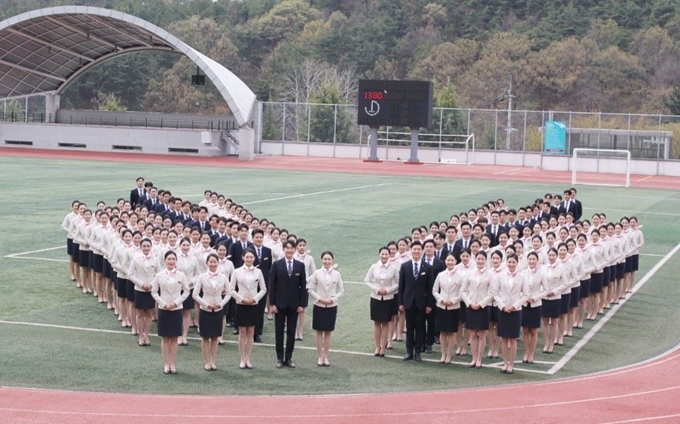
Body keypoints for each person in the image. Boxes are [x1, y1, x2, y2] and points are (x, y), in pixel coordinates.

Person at [269, 240, 308, 368]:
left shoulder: (300, 266)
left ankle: (289, 358)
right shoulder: (276, 265)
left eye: (292, 248)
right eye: (287, 248)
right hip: (279, 304)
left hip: (294, 305)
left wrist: (302, 304)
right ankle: (280, 358)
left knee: (291, 332)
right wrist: (272, 304)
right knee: (279, 332)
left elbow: (303, 287)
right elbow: (272, 285)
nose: (290, 250)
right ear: (284, 249)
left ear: (295, 250)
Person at [151, 251, 190, 374]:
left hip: (177, 309)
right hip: (164, 309)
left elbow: (186, 291)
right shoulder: (159, 275)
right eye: (169, 259)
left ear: (176, 260)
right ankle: (166, 363)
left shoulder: (181, 275)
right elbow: (154, 292)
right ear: (165, 260)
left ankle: (172, 363)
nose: (171, 261)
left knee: (174, 338)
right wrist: (163, 303)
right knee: (165, 337)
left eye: (173, 259)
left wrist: (176, 302)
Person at [229, 249, 267, 369]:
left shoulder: (258, 272)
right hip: (241, 305)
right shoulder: (237, 271)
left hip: (253, 305)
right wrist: (242, 299)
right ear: (243, 257)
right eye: (247, 257)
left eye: (251, 257)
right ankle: (242, 358)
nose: (249, 259)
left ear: (254, 258)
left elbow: (263, 289)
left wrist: (254, 299)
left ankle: (248, 359)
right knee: (242, 332)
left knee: (250, 332)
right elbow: (231, 289)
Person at [398, 241, 435, 363]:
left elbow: (430, 287)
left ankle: (417, 352)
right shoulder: (405, 266)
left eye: (419, 249)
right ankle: (409, 351)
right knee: (409, 328)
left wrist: (430, 304)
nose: (416, 251)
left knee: (420, 328)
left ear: (422, 250)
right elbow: (401, 286)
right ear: (411, 250)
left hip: (422, 303)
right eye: (414, 249)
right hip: (408, 302)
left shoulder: (428, 268)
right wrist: (400, 303)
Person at [193, 254, 231, 371]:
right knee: (205, 337)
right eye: (211, 262)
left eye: (215, 262)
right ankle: (206, 361)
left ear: (218, 263)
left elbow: (229, 293)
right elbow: (195, 294)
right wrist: (206, 304)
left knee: (215, 337)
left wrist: (221, 304)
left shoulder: (223, 277)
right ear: (207, 263)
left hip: (218, 310)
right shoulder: (202, 277)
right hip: (205, 310)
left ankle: (213, 361)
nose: (213, 264)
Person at [307, 251, 345, 366]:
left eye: (329, 259)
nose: (327, 261)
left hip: (332, 306)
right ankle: (320, 356)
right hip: (319, 306)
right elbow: (310, 289)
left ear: (332, 260)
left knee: (328, 331)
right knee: (319, 331)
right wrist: (320, 299)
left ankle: (326, 356)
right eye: (325, 259)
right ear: (321, 260)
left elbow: (341, 290)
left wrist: (333, 299)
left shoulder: (337, 274)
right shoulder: (317, 273)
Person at [493, 254, 528, 374]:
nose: (511, 264)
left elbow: (526, 295)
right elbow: (495, 293)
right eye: (509, 262)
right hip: (502, 310)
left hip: (515, 311)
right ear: (506, 263)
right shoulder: (500, 276)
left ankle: (511, 364)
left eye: (513, 262)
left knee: (512, 339)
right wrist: (503, 306)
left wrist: (514, 306)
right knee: (503, 338)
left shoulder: (522, 277)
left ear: (517, 263)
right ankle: (505, 363)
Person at [461, 251, 494, 368]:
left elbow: (492, 293)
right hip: (471, 307)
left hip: (483, 307)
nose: (480, 261)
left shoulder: (490, 274)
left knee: (481, 334)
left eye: (482, 259)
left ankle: (480, 358)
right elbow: (462, 291)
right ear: (475, 259)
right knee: (472, 334)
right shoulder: (469, 273)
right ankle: (473, 358)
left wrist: (481, 304)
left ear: (486, 260)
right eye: (478, 259)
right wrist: (470, 303)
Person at [365, 246, 399, 357]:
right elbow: (367, 280)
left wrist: (388, 290)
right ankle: (377, 346)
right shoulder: (374, 267)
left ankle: (383, 347)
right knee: (376, 323)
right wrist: (376, 290)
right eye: (382, 254)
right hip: (375, 298)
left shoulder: (393, 268)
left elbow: (398, 283)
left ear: (389, 256)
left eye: (386, 254)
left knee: (385, 323)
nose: (384, 256)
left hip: (388, 298)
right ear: (379, 255)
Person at [128, 238, 161, 346]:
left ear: (151, 247)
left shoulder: (155, 260)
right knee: (140, 313)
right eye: (144, 246)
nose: (146, 248)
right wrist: (141, 284)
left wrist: (151, 284)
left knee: (149, 314)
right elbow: (130, 274)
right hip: (139, 289)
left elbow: (159, 274)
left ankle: (147, 335)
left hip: (151, 290)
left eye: (148, 246)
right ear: (141, 247)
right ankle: (140, 336)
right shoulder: (136, 259)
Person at [432, 252, 464, 364]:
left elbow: (463, 293)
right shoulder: (441, 275)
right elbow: (435, 290)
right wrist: (442, 300)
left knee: (451, 332)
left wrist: (453, 300)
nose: (450, 262)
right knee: (442, 332)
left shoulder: (460, 276)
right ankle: (443, 354)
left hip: (454, 307)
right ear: (445, 261)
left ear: (456, 261)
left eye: (452, 260)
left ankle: (449, 355)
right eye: (448, 260)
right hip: (441, 306)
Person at [522, 252, 545, 364]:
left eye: (533, 259)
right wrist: (524, 298)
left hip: (536, 304)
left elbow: (545, 289)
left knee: (534, 331)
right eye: (530, 259)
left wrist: (535, 298)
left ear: (537, 260)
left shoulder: (541, 274)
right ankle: (526, 352)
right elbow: (519, 289)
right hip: (525, 304)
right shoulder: (522, 273)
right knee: (525, 330)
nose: (531, 261)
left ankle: (532, 353)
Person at [294, 238, 316, 341]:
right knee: (293, 310)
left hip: (305, 287)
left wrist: (307, 280)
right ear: (296, 247)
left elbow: (314, 272)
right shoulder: (293, 257)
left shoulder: (309, 258)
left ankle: (300, 332)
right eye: (300, 245)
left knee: (302, 310)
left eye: (303, 245)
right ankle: (294, 332)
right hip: (293, 287)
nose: (302, 247)